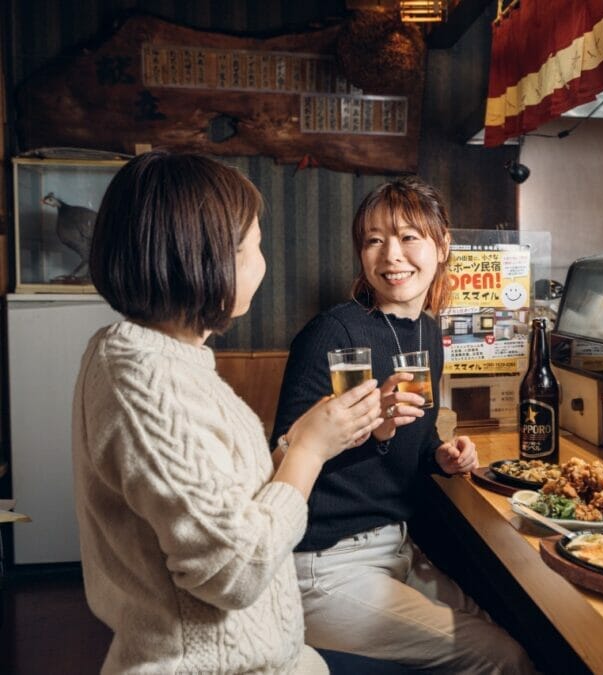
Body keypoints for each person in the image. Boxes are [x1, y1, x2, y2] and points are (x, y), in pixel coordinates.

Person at [72, 151, 385, 674]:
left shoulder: (160, 356)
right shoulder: (145, 375)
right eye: (254, 245)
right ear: (205, 260)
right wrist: (308, 452)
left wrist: (297, 445)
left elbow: (213, 501)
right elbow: (235, 570)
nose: (263, 263)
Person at [272, 177, 535, 673]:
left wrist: (441, 453)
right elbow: (281, 461)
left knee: (513, 636)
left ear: (442, 246)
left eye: (408, 237)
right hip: (324, 562)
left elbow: (419, 434)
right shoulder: (333, 332)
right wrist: (375, 428)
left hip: (397, 547)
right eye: (374, 240)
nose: (392, 255)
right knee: (503, 659)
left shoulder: (427, 333)